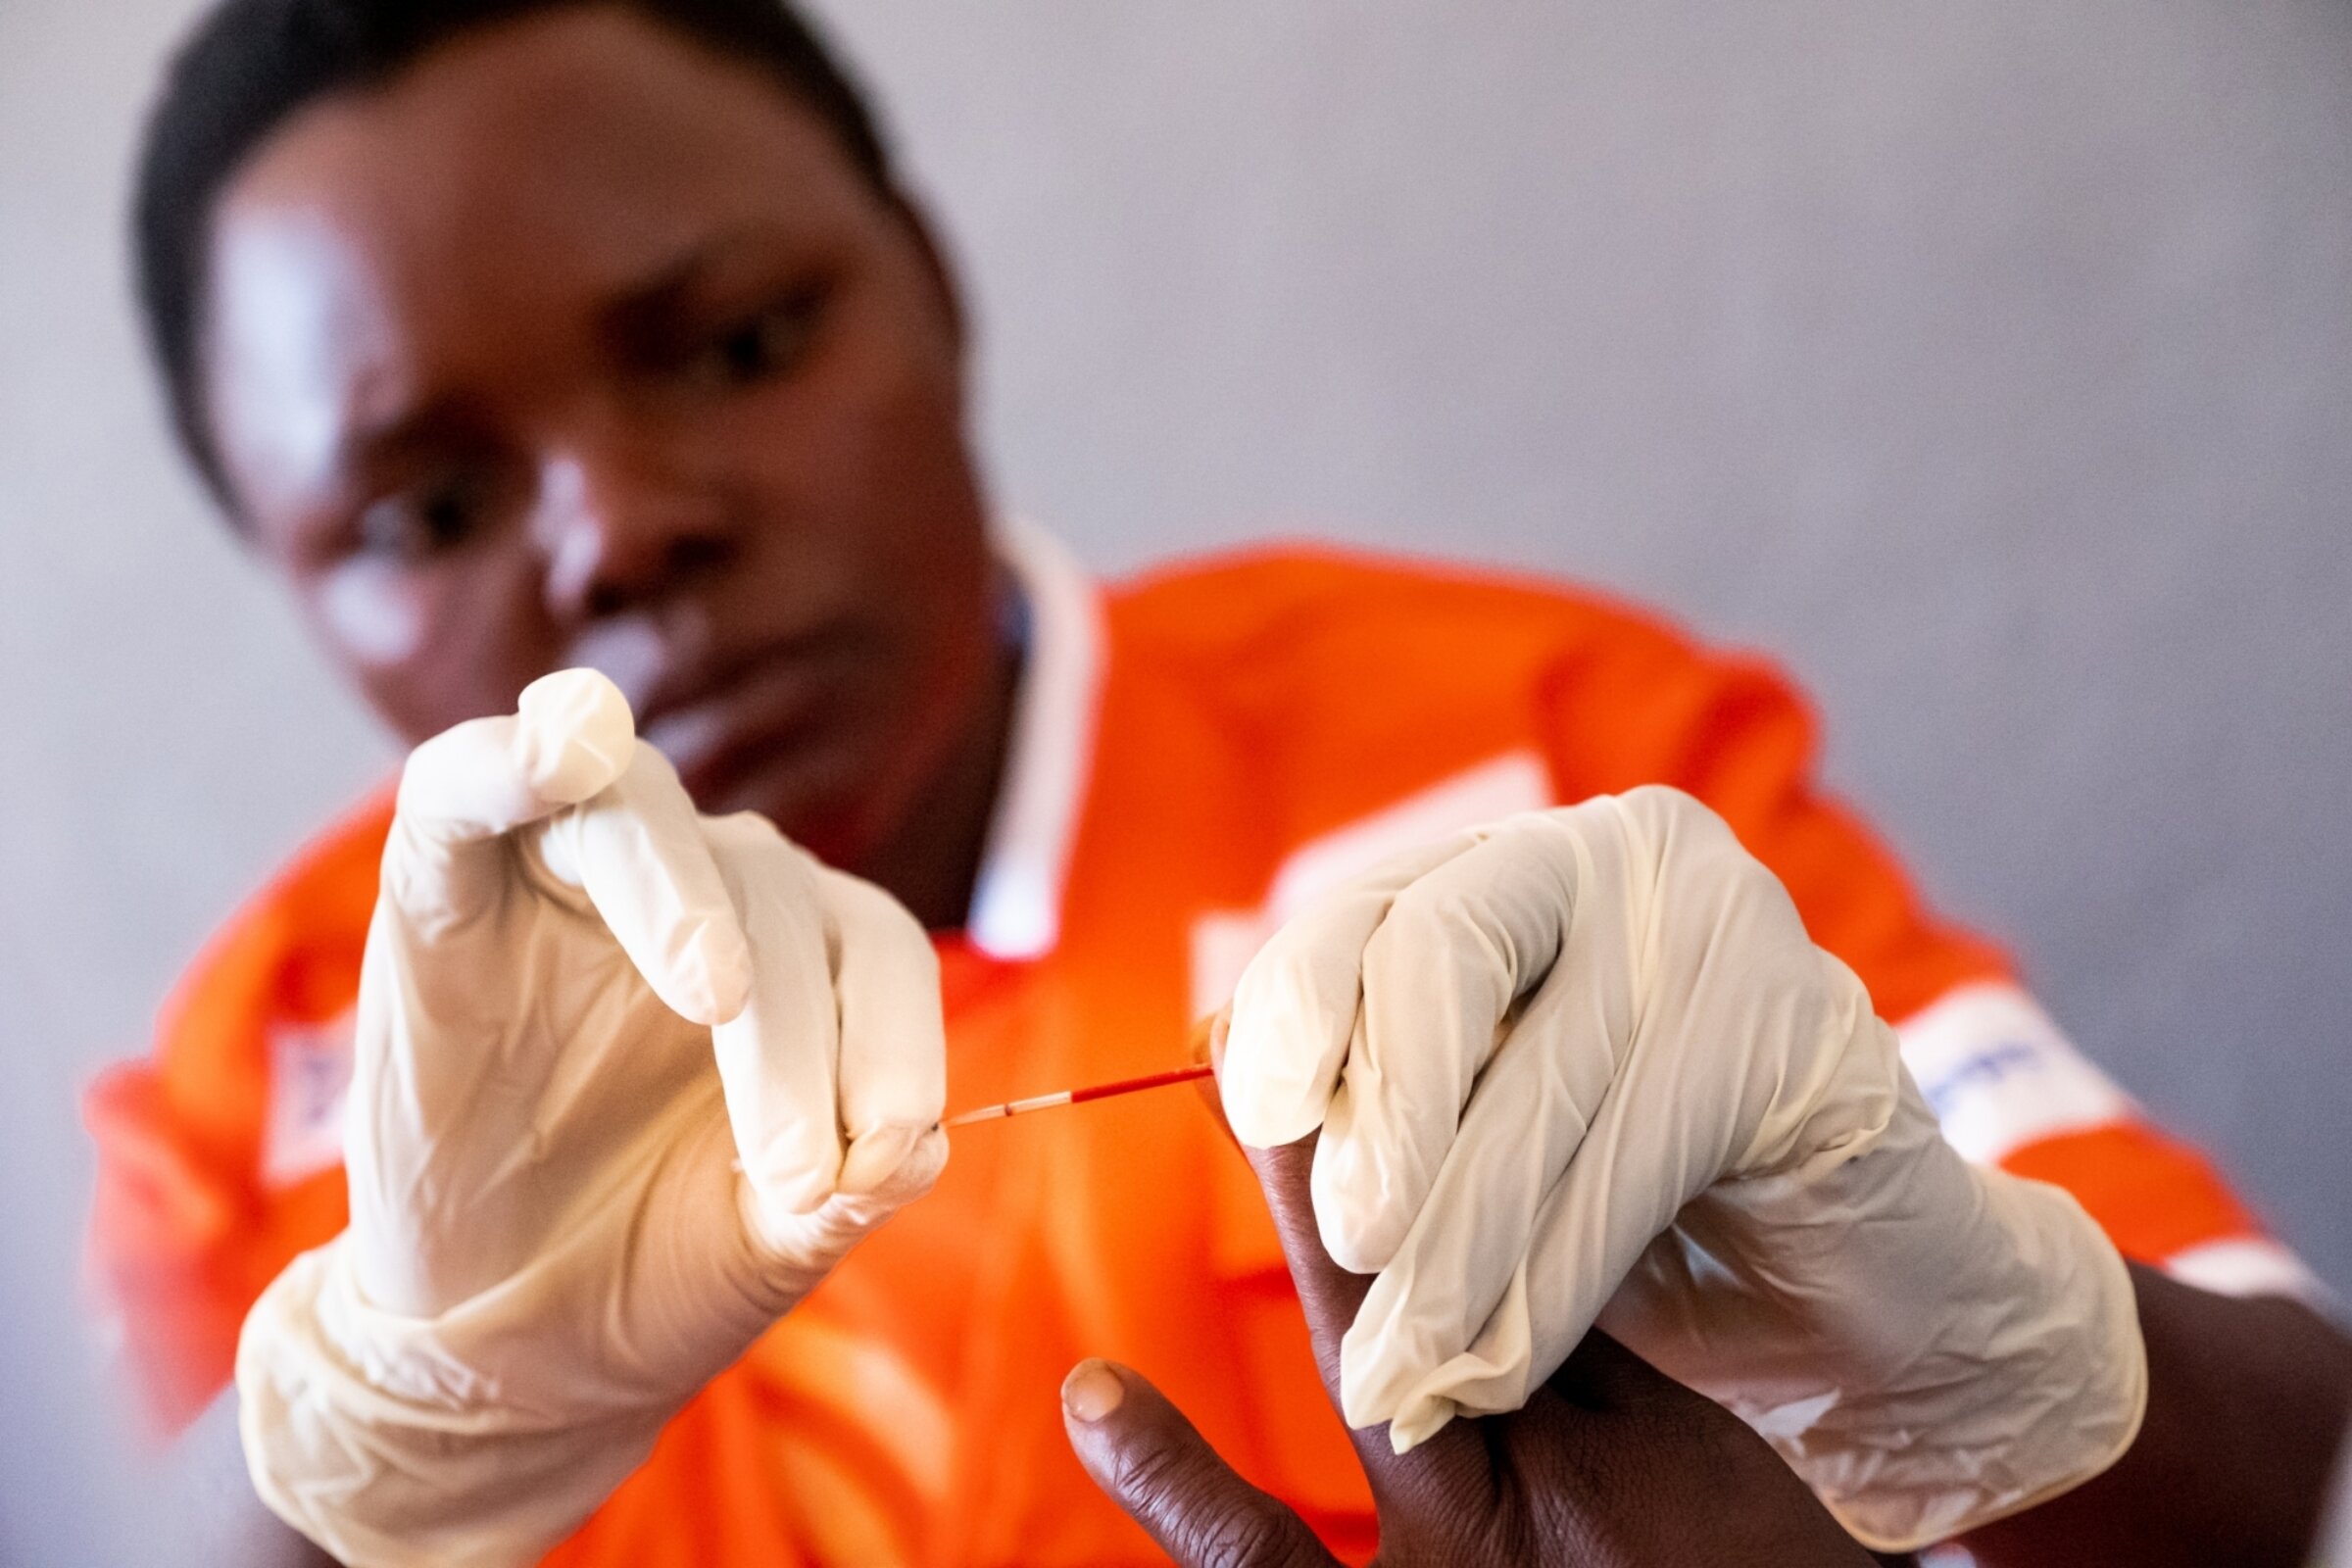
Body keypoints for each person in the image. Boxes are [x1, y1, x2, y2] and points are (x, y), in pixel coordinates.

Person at [81, 0, 2350, 1562]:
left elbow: (2294, 1466)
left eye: (741, 342)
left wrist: (1991, 1372)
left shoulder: (1537, 759)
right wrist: (356, 1441)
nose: (617, 533)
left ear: (933, 292)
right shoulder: (273, 1078)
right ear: (289, 586)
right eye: (418, 511)